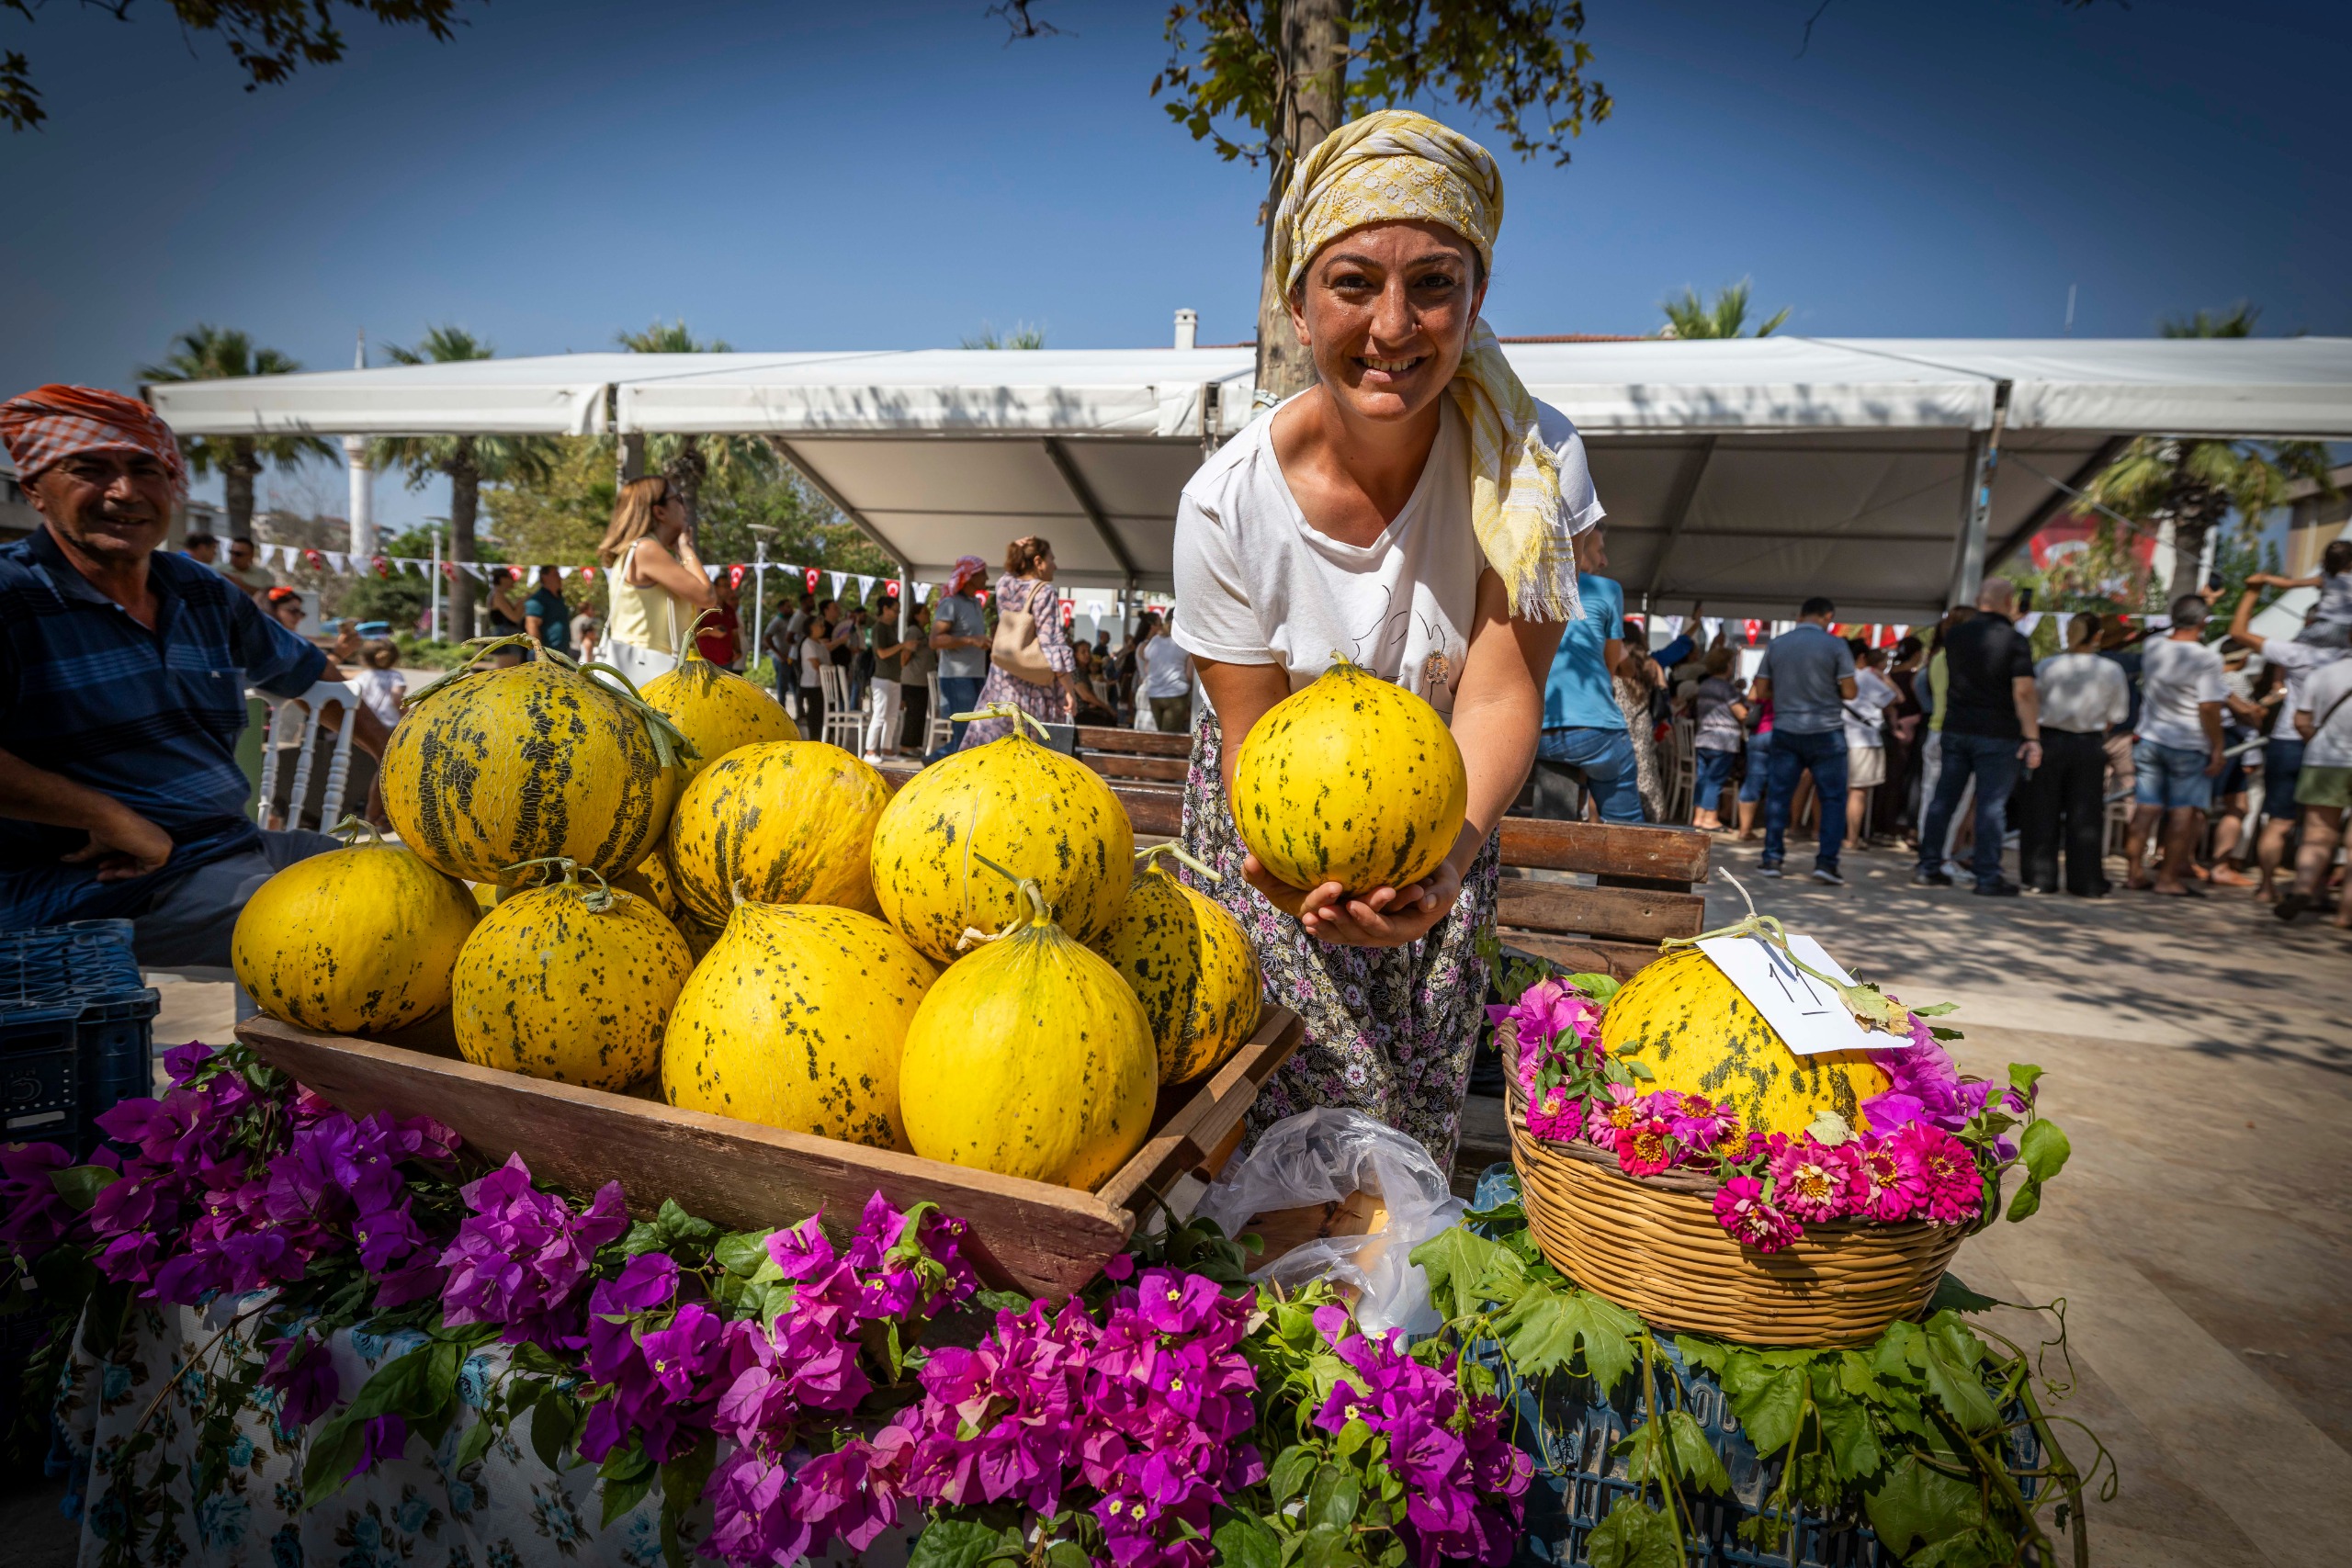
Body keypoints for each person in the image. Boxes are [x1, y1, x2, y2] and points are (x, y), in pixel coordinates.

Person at [1167, 109, 1600, 1165]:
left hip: (1444, 816)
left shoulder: (1535, 467)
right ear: (1297, 303)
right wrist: (1280, 862)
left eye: (1434, 283)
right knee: (1267, 1143)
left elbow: (1498, 694)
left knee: (1405, 1140)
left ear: (1476, 298)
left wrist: (1446, 864)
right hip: (1267, 829)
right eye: (1353, 283)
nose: (1394, 326)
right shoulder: (1225, 502)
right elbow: (1251, 732)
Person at [0, 384, 390, 964]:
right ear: (34, 488)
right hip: (106, 886)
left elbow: (309, 674)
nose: (124, 491)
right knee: (367, 940)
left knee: (429, 891)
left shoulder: (199, 591)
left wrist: (390, 755)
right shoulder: (12, 595)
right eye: (89, 469)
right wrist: (106, 816)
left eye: (145, 470)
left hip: (229, 842)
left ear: (172, 487)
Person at [1913, 581, 2039, 895]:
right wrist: (2032, 737)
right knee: (1990, 805)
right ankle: (1987, 875)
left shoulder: (1955, 636)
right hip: (1997, 732)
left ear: (1978, 599)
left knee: (1944, 799)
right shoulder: (2015, 640)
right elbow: (2023, 691)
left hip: (1956, 728)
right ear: (2009, 601)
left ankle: (1929, 865)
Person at [2222, 588, 2345, 900]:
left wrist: (2252, 590)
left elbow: (2238, 632)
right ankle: (2312, 889)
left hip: (2288, 739)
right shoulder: (2341, 660)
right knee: (2323, 825)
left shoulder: (2295, 653)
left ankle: (2266, 887)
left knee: (2279, 820)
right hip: (2330, 746)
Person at [1534, 523, 1642, 823]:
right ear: (1578, 547)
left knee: (1552, 815)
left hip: (1537, 731)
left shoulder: (1530, 585)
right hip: (1595, 730)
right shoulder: (1608, 589)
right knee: (1625, 822)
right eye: (1599, 550)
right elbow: (1610, 668)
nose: (1604, 561)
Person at [2122, 594, 2226, 897]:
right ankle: (2167, 878)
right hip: (2189, 742)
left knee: (2146, 808)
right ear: (2204, 621)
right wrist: (2217, 746)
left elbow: (2173, 631)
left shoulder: (2154, 646)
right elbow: (2209, 707)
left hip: (2150, 737)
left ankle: (2134, 873)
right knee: (2183, 812)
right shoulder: (2207, 658)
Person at [2019, 611, 2128, 897]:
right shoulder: (2111, 670)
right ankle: (2086, 880)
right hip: (2088, 743)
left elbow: (2032, 702)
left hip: (2049, 740)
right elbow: (2116, 715)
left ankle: (2039, 877)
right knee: (2086, 813)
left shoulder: (2048, 665)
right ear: (2098, 635)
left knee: (2041, 810)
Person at [1754, 596, 1859, 883]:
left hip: (1786, 728)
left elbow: (1760, 690)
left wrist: (1786, 693)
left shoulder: (1777, 644)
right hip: (1827, 731)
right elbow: (1850, 692)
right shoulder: (1836, 645)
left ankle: (1772, 858)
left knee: (1779, 795)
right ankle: (1826, 863)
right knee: (1832, 799)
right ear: (1828, 616)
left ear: (1800, 616)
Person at [595, 474, 716, 684]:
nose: (685, 508)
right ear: (659, 511)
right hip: (647, 668)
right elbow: (707, 596)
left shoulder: (642, 550)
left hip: (643, 667)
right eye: (678, 499)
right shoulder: (646, 549)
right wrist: (685, 548)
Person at [962, 536, 1077, 748]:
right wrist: (1069, 688)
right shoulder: (1045, 592)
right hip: (1033, 686)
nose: (1055, 565)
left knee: (993, 747)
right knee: (1029, 749)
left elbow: (1009, 573)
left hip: (1002, 682)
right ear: (1038, 561)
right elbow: (1051, 642)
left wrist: (1016, 547)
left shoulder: (1005, 585)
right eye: (1052, 559)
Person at [2276, 651, 2352, 925]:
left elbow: (2301, 721)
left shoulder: (2323, 673)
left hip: (2324, 760)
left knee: (2317, 834)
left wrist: (2318, 742)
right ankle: (2346, 914)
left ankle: (2303, 889)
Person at [927, 556, 991, 759]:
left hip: (976, 675)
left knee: (972, 733)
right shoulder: (950, 603)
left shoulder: (976, 603)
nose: (987, 578)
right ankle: (936, 761)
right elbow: (934, 640)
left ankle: (934, 760)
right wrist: (971, 640)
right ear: (969, 576)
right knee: (966, 734)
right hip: (957, 678)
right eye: (983, 573)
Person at [1842, 639, 1898, 850]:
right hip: (1863, 740)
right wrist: (1884, 677)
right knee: (1858, 791)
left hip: (1840, 737)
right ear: (1862, 657)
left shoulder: (1838, 676)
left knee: (1836, 790)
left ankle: (1824, 832)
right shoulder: (1866, 677)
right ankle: (1852, 838)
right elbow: (1895, 698)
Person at [2247, 540, 2352, 650]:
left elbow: (2291, 583)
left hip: (2325, 627)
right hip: (2348, 632)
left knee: (2290, 651)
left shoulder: (2325, 578)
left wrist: (2265, 578)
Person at [1612, 620, 1667, 821]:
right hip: (1641, 725)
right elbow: (1663, 692)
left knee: (1616, 775)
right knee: (1646, 773)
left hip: (1617, 723)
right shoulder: (1650, 664)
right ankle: (1651, 816)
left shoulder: (1613, 658)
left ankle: (1617, 816)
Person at [1689, 650, 1745, 832]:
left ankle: (1698, 816)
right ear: (1727, 665)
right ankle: (1710, 818)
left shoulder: (1704, 685)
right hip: (1723, 740)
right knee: (1715, 779)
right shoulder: (1726, 688)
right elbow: (1741, 713)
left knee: (1703, 778)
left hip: (1704, 738)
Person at [1136, 610, 1194, 734]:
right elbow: (1189, 675)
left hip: (1154, 694)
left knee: (1160, 735)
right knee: (1169, 736)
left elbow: (1147, 667)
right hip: (1176, 693)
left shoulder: (1155, 641)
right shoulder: (1185, 643)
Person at [897, 591, 938, 754]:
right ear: (916, 616)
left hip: (921, 681)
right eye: (925, 612)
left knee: (919, 714)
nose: (928, 615)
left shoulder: (921, 632)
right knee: (913, 714)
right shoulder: (913, 631)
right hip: (913, 680)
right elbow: (905, 656)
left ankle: (913, 746)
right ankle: (906, 745)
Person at [523, 565, 574, 659]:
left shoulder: (559, 598)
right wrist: (539, 652)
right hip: (545, 655)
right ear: (544, 577)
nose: (560, 578)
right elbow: (531, 624)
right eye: (555, 574)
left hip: (561, 653)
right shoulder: (538, 599)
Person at [796, 616, 828, 733]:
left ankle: (820, 735)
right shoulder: (808, 643)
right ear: (811, 627)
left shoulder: (820, 644)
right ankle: (814, 736)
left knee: (820, 711)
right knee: (814, 712)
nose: (823, 628)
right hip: (811, 684)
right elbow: (816, 665)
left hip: (821, 684)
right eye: (820, 625)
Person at [219, 536, 272, 600]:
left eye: (238, 554)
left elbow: (271, 598)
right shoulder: (219, 570)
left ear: (251, 555)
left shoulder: (264, 576)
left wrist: (242, 585)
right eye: (231, 553)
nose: (234, 557)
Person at [486, 568, 526, 638]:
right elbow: (515, 618)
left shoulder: (497, 594)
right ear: (502, 579)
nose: (513, 580)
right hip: (505, 635)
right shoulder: (498, 596)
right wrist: (524, 600)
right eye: (510, 577)